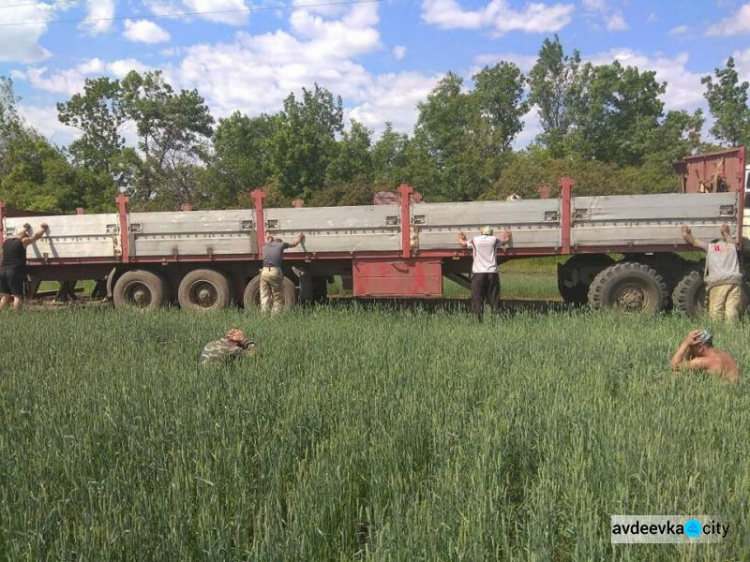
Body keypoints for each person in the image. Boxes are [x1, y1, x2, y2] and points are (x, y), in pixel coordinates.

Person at [680, 224, 743, 323]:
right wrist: (725, 232)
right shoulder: (732, 246)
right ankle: (732, 331)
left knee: (716, 310)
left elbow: (694, 241)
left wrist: (685, 233)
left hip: (718, 282)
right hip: (734, 282)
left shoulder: (712, 247)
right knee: (732, 309)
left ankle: (718, 330)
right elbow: (730, 239)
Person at [457, 226, 511, 321]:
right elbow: (504, 242)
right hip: (492, 273)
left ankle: (477, 321)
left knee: (477, 299)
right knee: (494, 299)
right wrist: (507, 237)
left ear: (481, 232)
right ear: (491, 233)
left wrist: (460, 237)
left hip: (478, 274)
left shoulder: (475, 240)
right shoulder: (494, 240)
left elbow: (463, 244)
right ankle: (496, 320)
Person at [0, 222, 48, 311]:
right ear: (24, 237)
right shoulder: (23, 241)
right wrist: (43, 228)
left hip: (3, 271)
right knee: (18, 295)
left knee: (6, 295)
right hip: (14, 272)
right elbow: (36, 237)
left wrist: (25, 228)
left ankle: (2, 314)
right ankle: (17, 315)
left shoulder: (6, 242)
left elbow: (18, 235)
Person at [670, 329, 739, 383]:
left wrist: (685, 343)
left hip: (723, 393)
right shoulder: (725, 355)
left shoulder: (703, 361)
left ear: (701, 348)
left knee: (676, 375)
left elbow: (675, 366)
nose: (690, 349)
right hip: (735, 388)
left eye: (692, 347)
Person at [260, 232, 305, 314]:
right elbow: (294, 244)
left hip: (264, 271)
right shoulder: (281, 245)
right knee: (277, 296)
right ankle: (275, 317)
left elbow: (268, 240)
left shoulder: (266, 246)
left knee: (264, 295)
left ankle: (264, 315)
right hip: (274, 271)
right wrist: (299, 238)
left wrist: (269, 238)